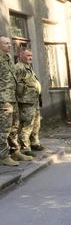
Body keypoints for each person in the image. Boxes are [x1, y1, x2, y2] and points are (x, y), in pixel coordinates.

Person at [14, 48, 44, 157]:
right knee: (27, 124)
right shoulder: (19, 67)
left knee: (36, 123)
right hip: (26, 101)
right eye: (27, 55)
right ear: (21, 55)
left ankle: (34, 142)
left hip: (33, 100)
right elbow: (16, 85)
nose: (30, 57)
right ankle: (25, 148)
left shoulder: (28, 67)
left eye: (31, 55)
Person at [0, 36, 22, 166]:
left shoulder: (8, 58)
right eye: (6, 43)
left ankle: (15, 151)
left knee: (15, 126)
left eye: (10, 43)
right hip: (3, 99)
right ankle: (3, 156)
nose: (9, 45)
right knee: (4, 129)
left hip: (12, 97)